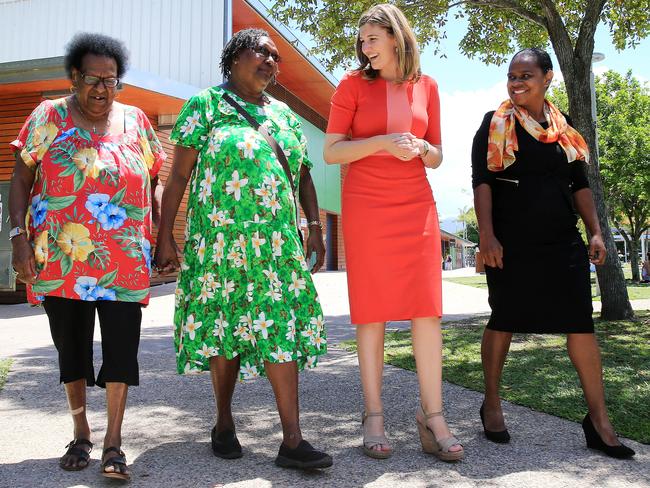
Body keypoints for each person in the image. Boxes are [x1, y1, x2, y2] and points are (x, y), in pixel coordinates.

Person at [153, 28, 332, 470]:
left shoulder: (286, 116)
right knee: (223, 327)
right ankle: (224, 422)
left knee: (282, 326)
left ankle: (292, 439)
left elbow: (304, 175)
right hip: (218, 244)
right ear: (234, 58)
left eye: (276, 56)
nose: (271, 60)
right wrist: (164, 234)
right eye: (261, 52)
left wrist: (315, 227)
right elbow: (177, 178)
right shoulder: (205, 106)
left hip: (276, 244)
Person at [9, 32, 166, 479]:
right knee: (71, 348)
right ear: (74, 78)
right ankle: (81, 432)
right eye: (93, 79)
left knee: (122, 348)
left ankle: (114, 443)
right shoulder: (49, 116)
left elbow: (153, 172)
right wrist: (19, 236)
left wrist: (157, 233)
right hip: (60, 255)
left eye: (111, 80)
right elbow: (21, 179)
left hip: (123, 257)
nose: (102, 88)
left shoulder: (136, 120)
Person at [472, 48, 635, 459]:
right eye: (512, 75)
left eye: (526, 75)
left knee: (580, 324)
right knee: (504, 318)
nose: (516, 82)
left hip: (563, 243)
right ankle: (491, 403)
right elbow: (483, 182)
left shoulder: (564, 130)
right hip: (511, 244)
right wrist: (487, 236)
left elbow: (579, 184)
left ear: (547, 78)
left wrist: (597, 232)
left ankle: (598, 420)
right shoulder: (494, 125)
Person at [323, 4, 463, 462]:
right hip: (366, 205)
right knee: (372, 309)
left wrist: (422, 147)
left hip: (415, 202)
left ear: (397, 37)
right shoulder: (350, 84)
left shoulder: (428, 86)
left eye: (372, 39)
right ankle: (374, 415)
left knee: (427, 309)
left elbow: (439, 154)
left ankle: (433, 415)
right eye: (362, 41)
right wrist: (383, 143)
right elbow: (331, 151)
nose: (365, 48)